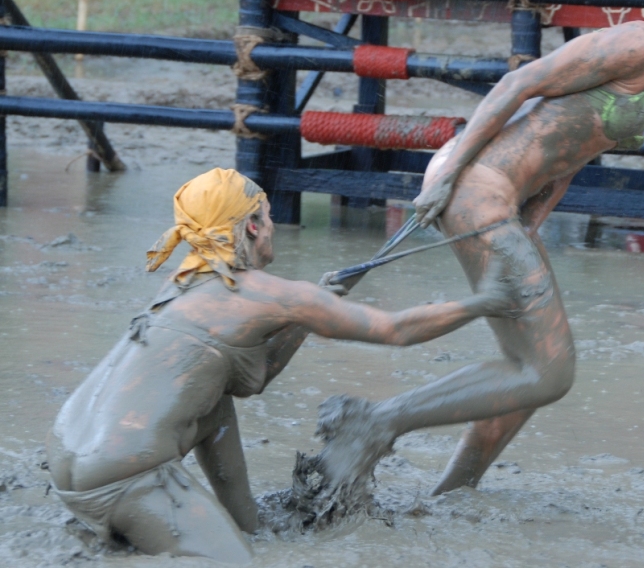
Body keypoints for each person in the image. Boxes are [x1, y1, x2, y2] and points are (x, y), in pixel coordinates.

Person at [313, 0, 644, 496]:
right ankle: (376, 420)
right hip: (476, 185)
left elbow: (575, 152)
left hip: (504, 204)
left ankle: (453, 494)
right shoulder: (636, 44)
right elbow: (521, 83)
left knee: (528, 373)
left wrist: (531, 225)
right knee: (551, 372)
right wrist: (447, 176)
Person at [45, 168, 515, 564]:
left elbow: (252, 378)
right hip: (126, 474)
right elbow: (396, 330)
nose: (271, 227)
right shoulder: (269, 291)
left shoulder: (182, 286)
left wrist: (303, 316)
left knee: (213, 403)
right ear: (251, 225)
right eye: (268, 218)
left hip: (72, 456)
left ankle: (245, 520)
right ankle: (229, 537)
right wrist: (484, 301)